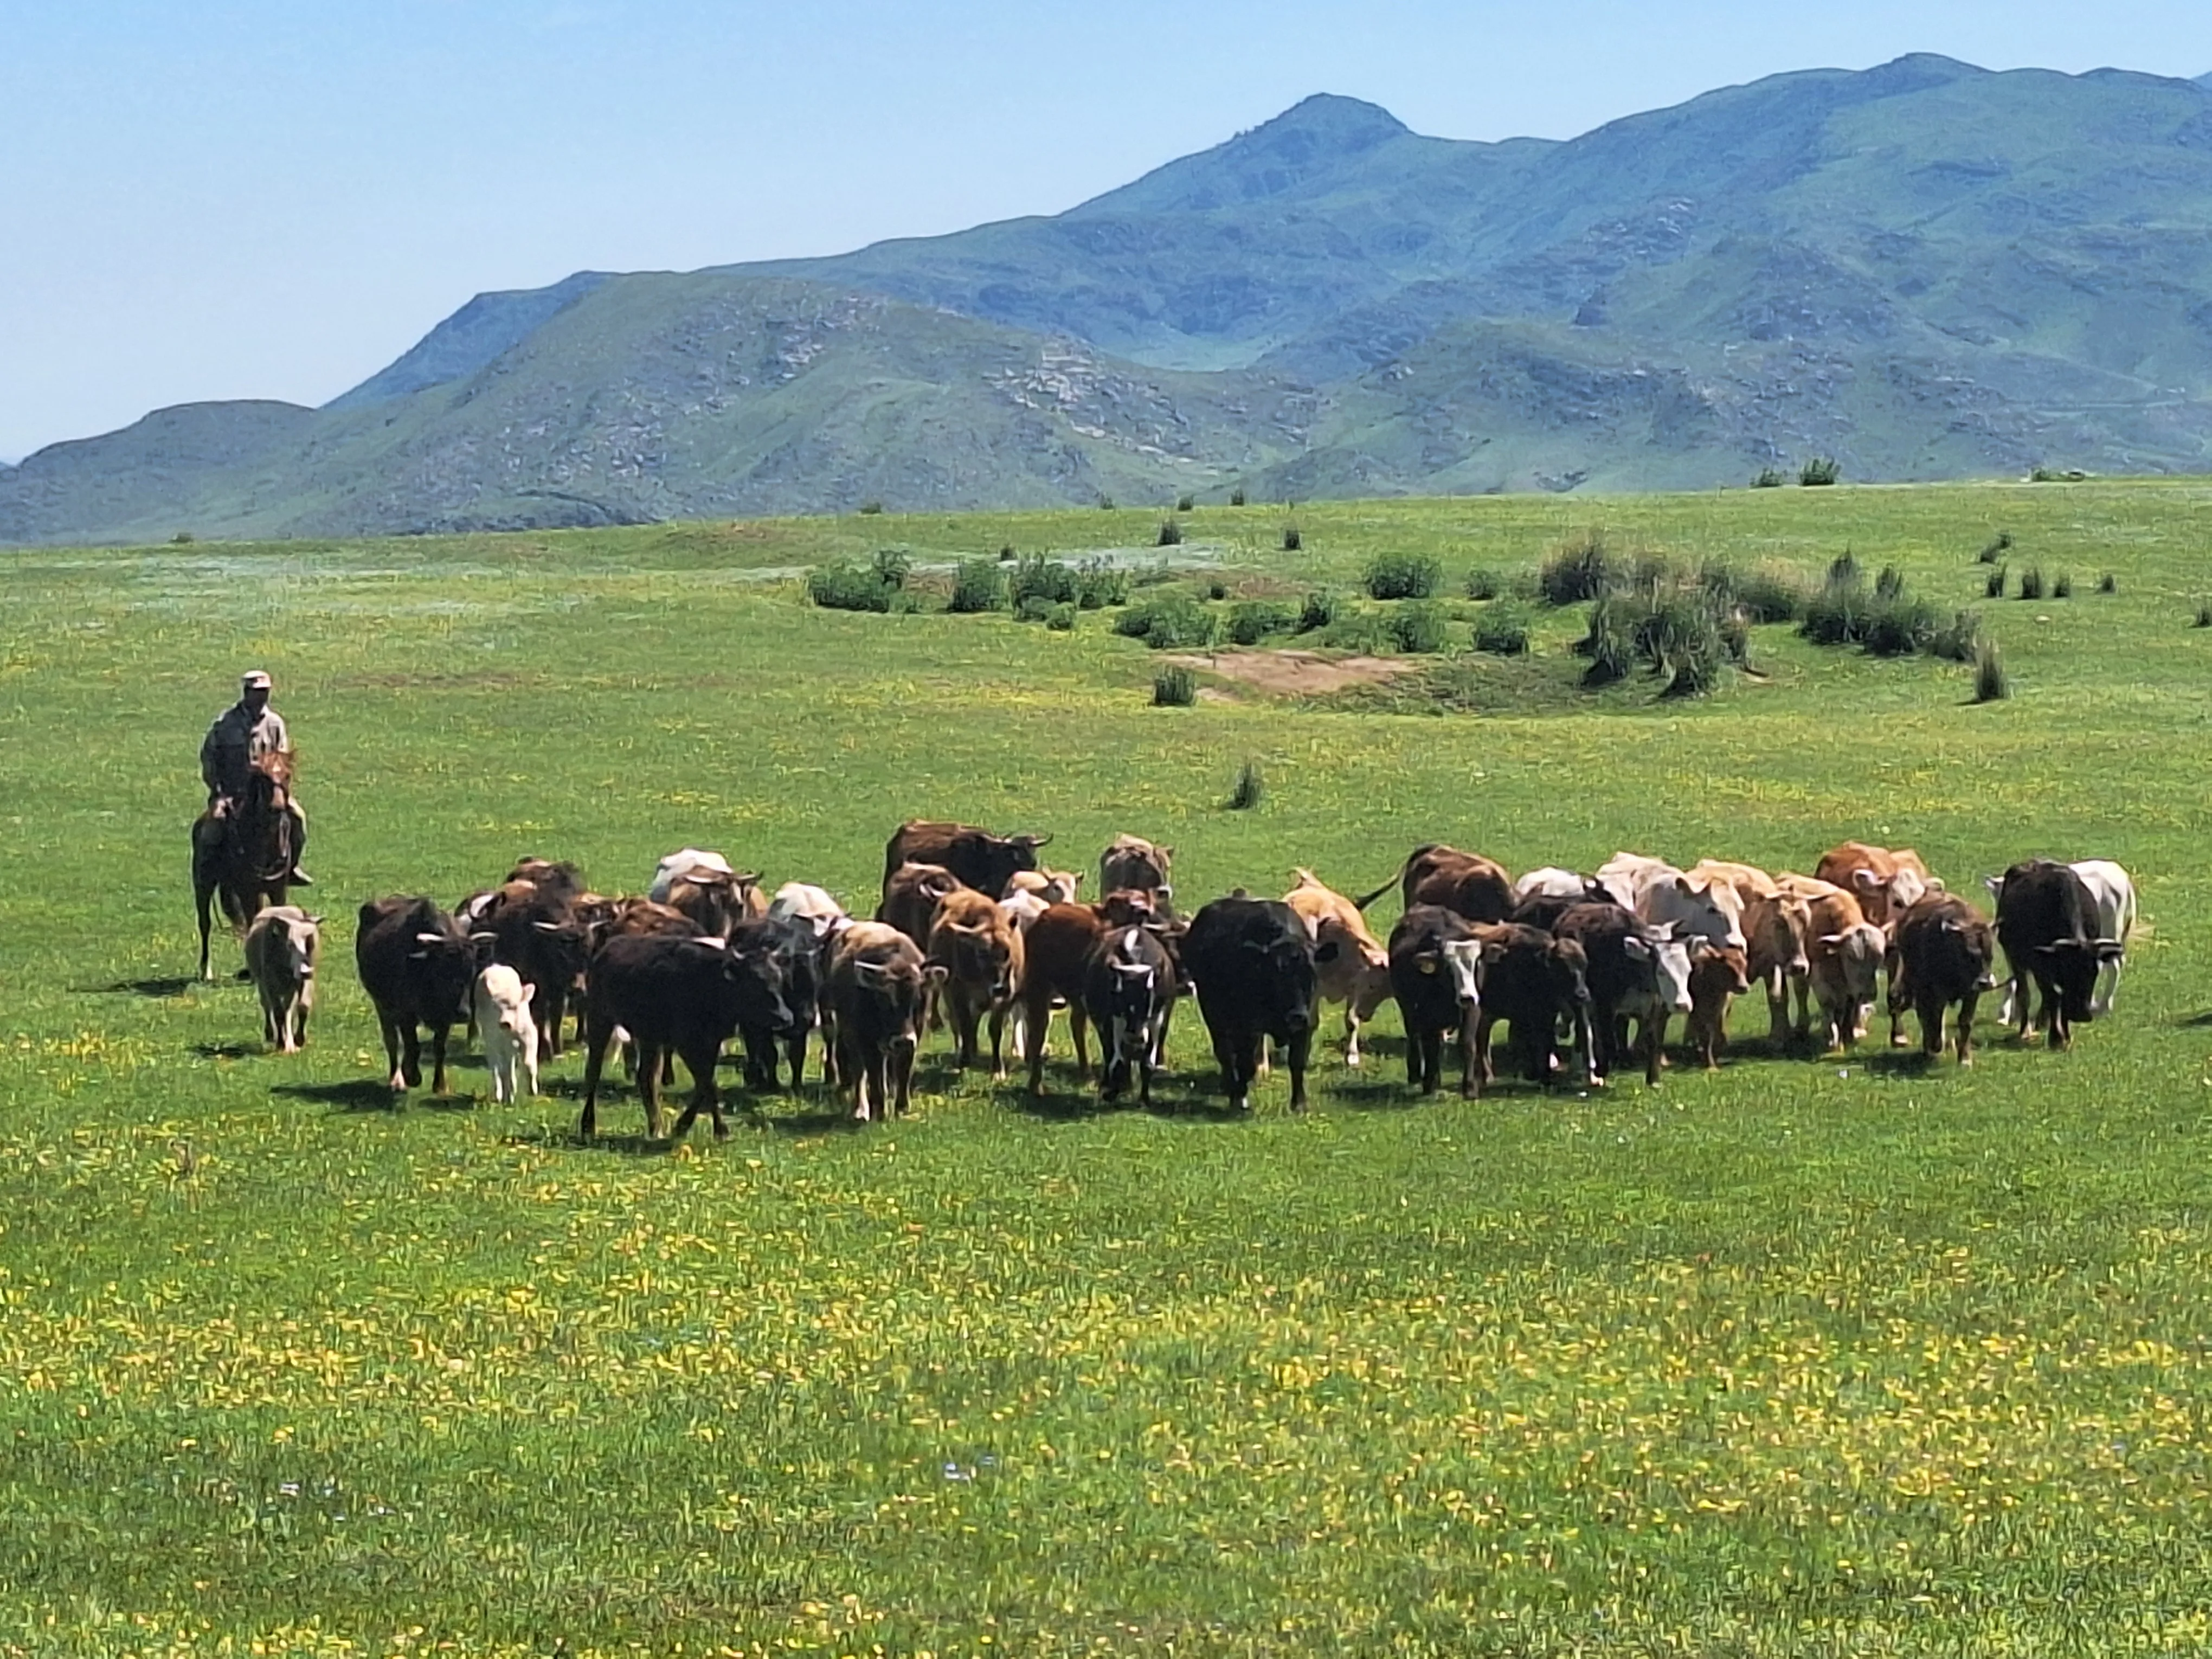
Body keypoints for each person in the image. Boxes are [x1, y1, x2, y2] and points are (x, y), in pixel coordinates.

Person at [200, 670, 311, 884]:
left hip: (268, 791)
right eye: (257, 692)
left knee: (297, 818)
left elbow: (282, 756)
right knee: (212, 829)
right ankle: (209, 873)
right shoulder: (226, 724)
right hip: (233, 793)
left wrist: (279, 785)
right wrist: (218, 790)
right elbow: (210, 756)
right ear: (246, 692)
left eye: (265, 692)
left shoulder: (275, 723)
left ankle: (291, 867)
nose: (262, 697)